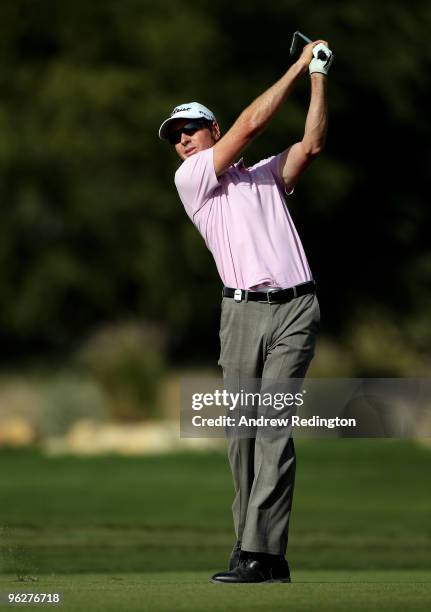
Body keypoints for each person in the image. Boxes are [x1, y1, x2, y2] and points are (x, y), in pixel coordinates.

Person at [159, 40, 333, 583]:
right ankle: (248, 546)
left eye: (190, 128)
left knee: (272, 429)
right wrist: (299, 64)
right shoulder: (193, 181)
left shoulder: (265, 178)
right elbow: (253, 124)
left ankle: (266, 554)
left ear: (212, 129)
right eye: (175, 136)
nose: (182, 140)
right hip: (239, 315)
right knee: (243, 437)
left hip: (294, 309)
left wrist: (319, 75)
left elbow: (311, 143)